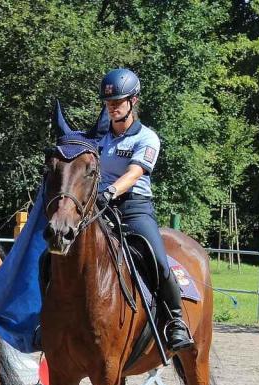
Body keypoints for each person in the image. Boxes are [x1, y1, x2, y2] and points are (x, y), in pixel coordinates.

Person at [93, 68, 193, 352]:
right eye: (108, 103)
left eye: (118, 102)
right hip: (96, 208)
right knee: (56, 251)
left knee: (158, 260)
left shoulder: (146, 138)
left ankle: (175, 321)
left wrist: (110, 191)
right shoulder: (98, 138)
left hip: (133, 208)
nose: (112, 108)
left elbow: (136, 172)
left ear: (133, 101)